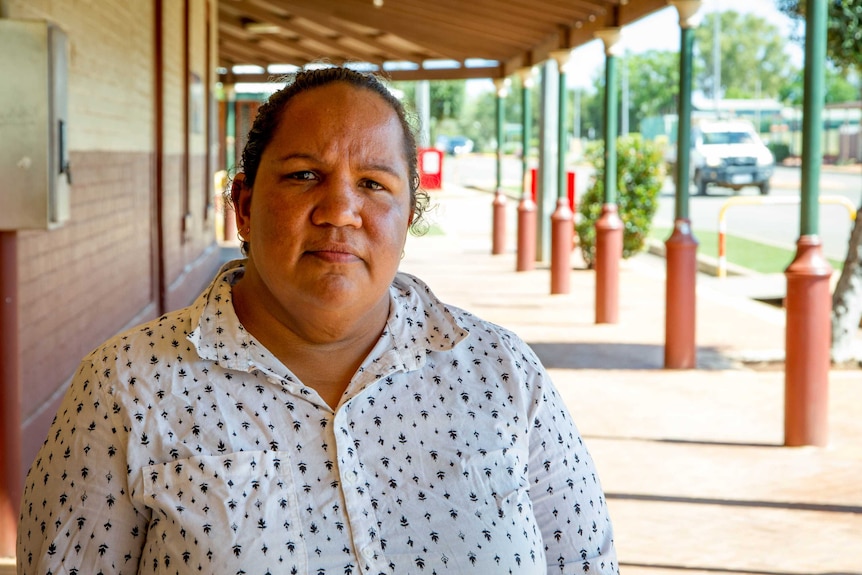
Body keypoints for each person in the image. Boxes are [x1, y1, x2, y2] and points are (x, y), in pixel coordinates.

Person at [17, 66, 618, 574]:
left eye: (373, 183)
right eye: (304, 176)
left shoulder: (502, 374)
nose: (339, 211)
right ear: (245, 207)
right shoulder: (127, 388)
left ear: (409, 215)